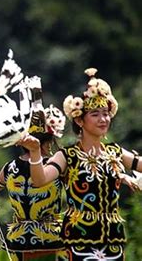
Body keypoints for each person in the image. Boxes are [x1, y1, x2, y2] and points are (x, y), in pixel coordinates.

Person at [19, 68, 142, 260]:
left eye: (105, 113)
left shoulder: (115, 152)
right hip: (78, 241)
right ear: (79, 120)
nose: (103, 119)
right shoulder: (68, 155)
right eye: (95, 114)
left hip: (113, 241)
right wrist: (35, 152)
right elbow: (39, 179)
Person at [0, 81, 66, 261]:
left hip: (19, 240)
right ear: (49, 140)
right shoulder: (56, 165)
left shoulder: (9, 168)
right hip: (51, 238)